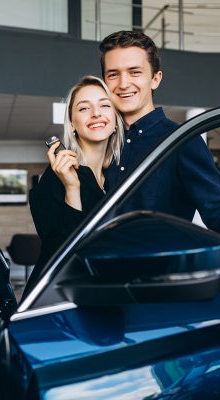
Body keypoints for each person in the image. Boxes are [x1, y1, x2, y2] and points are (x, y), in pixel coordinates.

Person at [100, 30, 220, 230]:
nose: (123, 83)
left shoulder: (181, 141)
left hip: (157, 262)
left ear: (155, 79)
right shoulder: (100, 142)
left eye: (135, 72)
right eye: (113, 74)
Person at [23, 75, 124, 296]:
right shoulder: (54, 178)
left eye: (104, 105)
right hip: (56, 304)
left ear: (116, 119)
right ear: (72, 124)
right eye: (84, 108)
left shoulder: (117, 178)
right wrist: (72, 189)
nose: (96, 113)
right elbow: (62, 255)